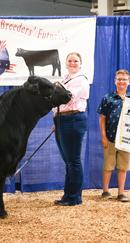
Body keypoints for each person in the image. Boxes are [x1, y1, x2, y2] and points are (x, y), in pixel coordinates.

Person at [51, 52, 89, 206]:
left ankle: (73, 198)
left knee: (73, 161)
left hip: (73, 119)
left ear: (80, 63)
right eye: (70, 61)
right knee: (68, 161)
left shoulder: (81, 80)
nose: (72, 63)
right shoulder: (66, 79)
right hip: (63, 119)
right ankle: (69, 195)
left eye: (76, 61)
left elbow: (68, 97)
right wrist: (57, 119)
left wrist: (56, 87)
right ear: (65, 63)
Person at [97, 69, 130, 202]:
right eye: (119, 79)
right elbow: (102, 118)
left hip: (126, 139)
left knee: (123, 166)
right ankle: (105, 190)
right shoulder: (107, 98)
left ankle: (121, 192)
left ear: (129, 82)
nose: (121, 82)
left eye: (124, 79)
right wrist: (103, 136)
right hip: (110, 137)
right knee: (108, 165)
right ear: (115, 81)